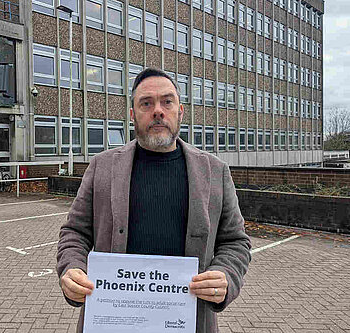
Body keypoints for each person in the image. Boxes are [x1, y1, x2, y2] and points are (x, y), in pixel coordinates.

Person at [56, 68, 252, 333]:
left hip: (189, 322)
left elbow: (235, 241)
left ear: (180, 111)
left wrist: (227, 275)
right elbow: (75, 232)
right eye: (146, 103)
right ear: (133, 115)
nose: (158, 110)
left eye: (167, 102)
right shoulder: (102, 167)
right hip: (113, 322)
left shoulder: (214, 171)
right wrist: (72, 268)